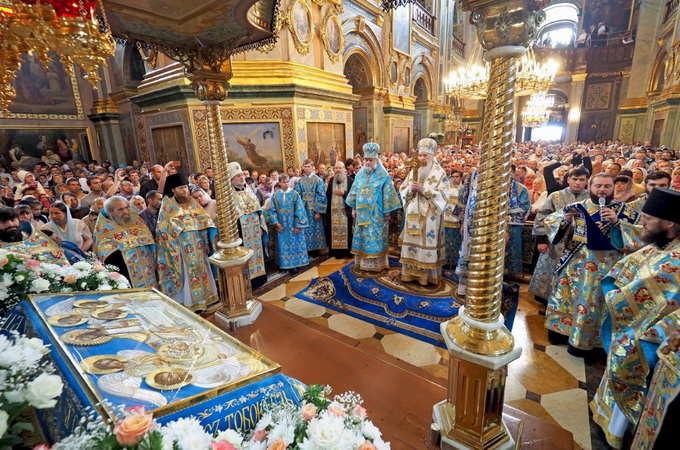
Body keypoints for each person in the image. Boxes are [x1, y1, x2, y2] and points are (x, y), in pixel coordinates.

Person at [591, 187, 680, 449]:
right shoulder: (664, 244)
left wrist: (617, 294)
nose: (641, 222)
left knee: (630, 370)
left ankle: (619, 432)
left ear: (669, 223)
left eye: (647, 219)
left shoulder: (674, 260)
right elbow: (632, 263)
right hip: (639, 326)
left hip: (653, 335)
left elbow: (642, 290)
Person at [543, 173, 643, 357]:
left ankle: (594, 343)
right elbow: (550, 222)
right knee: (570, 299)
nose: (602, 190)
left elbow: (641, 235)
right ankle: (562, 334)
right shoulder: (578, 207)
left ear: (613, 188)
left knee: (599, 305)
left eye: (607, 186)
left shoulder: (624, 210)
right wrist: (566, 220)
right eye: (598, 186)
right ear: (590, 187)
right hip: (576, 266)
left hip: (609, 268)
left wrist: (617, 223)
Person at [156, 173, 218, 312]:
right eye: (180, 188)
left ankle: (205, 300)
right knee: (186, 277)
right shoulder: (167, 207)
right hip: (181, 249)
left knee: (202, 272)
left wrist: (207, 241)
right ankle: (189, 304)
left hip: (198, 246)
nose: (184, 190)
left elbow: (202, 223)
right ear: (173, 190)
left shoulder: (193, 203)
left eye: (185, 187)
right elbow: (163, 231)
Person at [529, 166, 590, 304]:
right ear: (568, 180)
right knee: (550, 270)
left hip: (579, 245)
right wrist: (541, 240)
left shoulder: (590, 199)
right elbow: (542, 218)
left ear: (587, 181)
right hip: (555, 243)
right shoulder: (555, 196)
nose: (578, 183)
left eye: (581, 180)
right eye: (575, 179)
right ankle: (546, 301)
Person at [398, 138, 449, 285]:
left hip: (430, 217)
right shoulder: (415, 170)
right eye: (420, 155)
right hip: (413, 215)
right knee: (412, 243)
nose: (421, 158)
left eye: (425, 155)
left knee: (426, 243)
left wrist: (424, 190)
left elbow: (444, 195)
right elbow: (402, 189)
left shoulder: (440, 173)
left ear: (432, 156)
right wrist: (409, 189)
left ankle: (427, 277)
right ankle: (409, 274)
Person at [346, 143, 401, 272]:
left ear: (376, 160)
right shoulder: (360, 174)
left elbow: (388, 194)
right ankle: (362, 263)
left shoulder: (383, 175)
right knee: (363, 237)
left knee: (375, 237)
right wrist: (353, 208)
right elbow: (354, 191)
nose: (368, 163)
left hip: (377, 213)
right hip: (361, 213)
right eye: (366, 160)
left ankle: (377, 264)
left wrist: (387, 212)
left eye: (371, 160)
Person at [94, 196, 157, 289]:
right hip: (124, 271)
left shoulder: (137, 222)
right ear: (110, 211)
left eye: (127, 208)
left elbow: (149, 242)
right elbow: (106, 255)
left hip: (147, 268)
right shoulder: (104, 230)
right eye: (120, 209)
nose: (126, 212)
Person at [229, 162, 269, 289]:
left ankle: (259, 278)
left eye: (242, 175)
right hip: (241, 231)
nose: (242, 178)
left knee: (257, 253)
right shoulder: (229, 196)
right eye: (238, 176)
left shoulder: (249, 191)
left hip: (255, 230)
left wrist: (262, 226)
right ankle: (247, 281)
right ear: (231, 179)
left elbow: (258, 210)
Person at [269, 174, 309, 274]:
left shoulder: (295, 194)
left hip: (292, 225)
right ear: (279, 183)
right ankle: (284, 264)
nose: (286, 184)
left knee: (294, 245)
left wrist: (298, 225)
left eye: (287, 182)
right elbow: (272, 210)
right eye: (284, 182)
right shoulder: (275, 195)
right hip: (281, 225)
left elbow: (300, 210)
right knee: (283, 245)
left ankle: (295, 265)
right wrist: (276, 223)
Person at [0, 206, 68, 264]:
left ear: (19, 220)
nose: (10, 225)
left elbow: (59, 265)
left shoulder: (39, 240)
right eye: (3, 222)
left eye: (13, 220)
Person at [295, 159, 327, 255]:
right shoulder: (301, 180)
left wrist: (318, 211)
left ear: (312, 167)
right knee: (305, 227)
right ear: (303, 168)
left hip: (314, 208)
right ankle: (307, 248)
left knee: (315, 227)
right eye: (305, 167)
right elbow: (298, 194)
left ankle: (316, 249)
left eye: (309, 166)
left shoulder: (318, 180)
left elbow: (321, 195)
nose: (307, 168)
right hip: (304, 207)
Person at [325, 161, 354, 259]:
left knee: (347, 232)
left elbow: (354, 195)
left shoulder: (350, 180)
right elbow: (328, 196)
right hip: (333, 213)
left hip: (346, 213)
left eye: (339, 168)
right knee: (334, 232)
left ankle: (347, 252)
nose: (337, 170)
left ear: (344, 169)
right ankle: (336, 252)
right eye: (336, 168)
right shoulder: (331, 180)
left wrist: (344, 193)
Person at [443, 169, 463, 268]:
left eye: (457, 177)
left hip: (457, 221)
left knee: (455, 242)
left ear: (461, 178)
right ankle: (444, 261)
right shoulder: (447, 189)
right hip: (445, 219)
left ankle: (455, 262)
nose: (455, 179)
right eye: (453, 177)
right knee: (445, 241)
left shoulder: (463, 190)